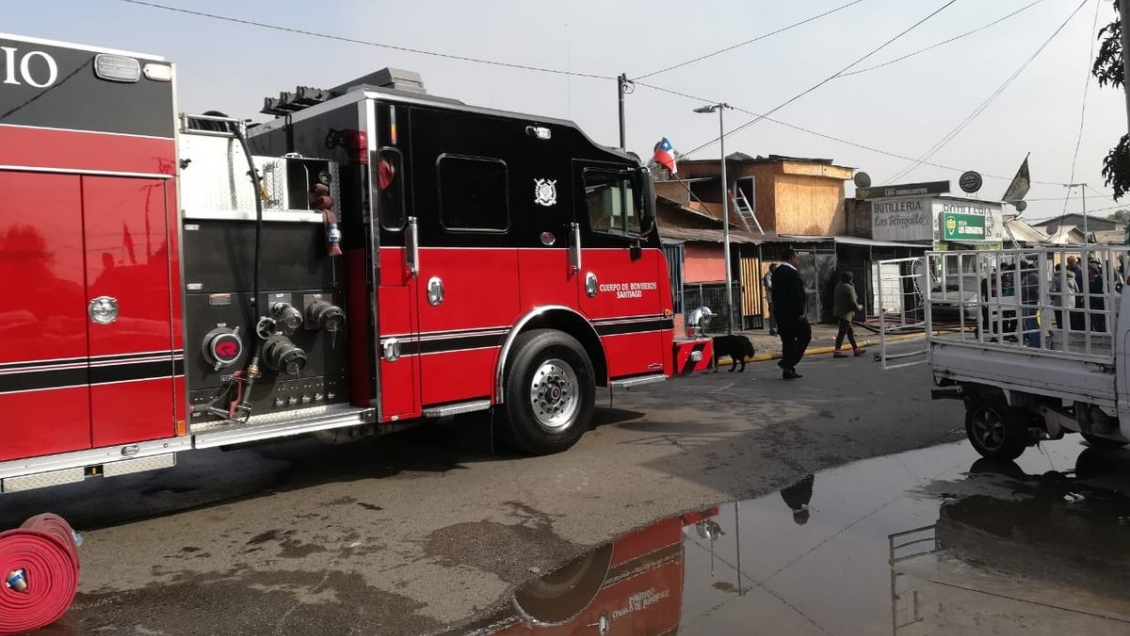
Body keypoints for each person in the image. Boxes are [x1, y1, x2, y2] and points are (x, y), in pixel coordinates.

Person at [770, 248, 811, 380]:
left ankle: (788, 371)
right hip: (793, 314)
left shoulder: (776, 273)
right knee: (805, 336)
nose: (797, 261)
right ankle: (787, 363)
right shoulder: (791, 273)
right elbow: (796, 295)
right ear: (792, 258)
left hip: (780, 314)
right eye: (796, 258)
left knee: (787, 342)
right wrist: (800, 312)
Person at [832, 271, 865, 358]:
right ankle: (837, 351)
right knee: (842, 332)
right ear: (850, 278)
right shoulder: (849, 288)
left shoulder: (839, 286)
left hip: (838, 311)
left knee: (850, 332)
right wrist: (859, 307)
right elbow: (853, 302)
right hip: (845, 314)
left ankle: (856, 349)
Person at [1049, 263, 1078, 332]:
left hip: (1059, 303)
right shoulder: (1071, 278)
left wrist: (1052, 298)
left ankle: (1062, 336)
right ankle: (1071, 335)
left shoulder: (1056, 278)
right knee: (1071, 321)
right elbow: (1077, 290)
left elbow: (1052, 290)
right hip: (1071, 303)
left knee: (1060, 322)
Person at [1020, 257, 1041, 347]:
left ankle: (1035, 343)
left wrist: (1022, 287)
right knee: (1028, 323)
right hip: (1026, 302)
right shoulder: (1027, 277)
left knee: (1032, 323)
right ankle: (1032, 341)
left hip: (1030, 302)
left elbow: (1033, 289)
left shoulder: (1033, 277)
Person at [763, 264, 778, 336]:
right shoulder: (768, 276)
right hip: (771, 298)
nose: (776, 269)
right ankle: (773, 330)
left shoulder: (777, 275)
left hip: (777, 298)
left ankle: (777, 329)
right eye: (775, 268)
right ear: (771, 269)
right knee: (773, 314)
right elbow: (769, 287)